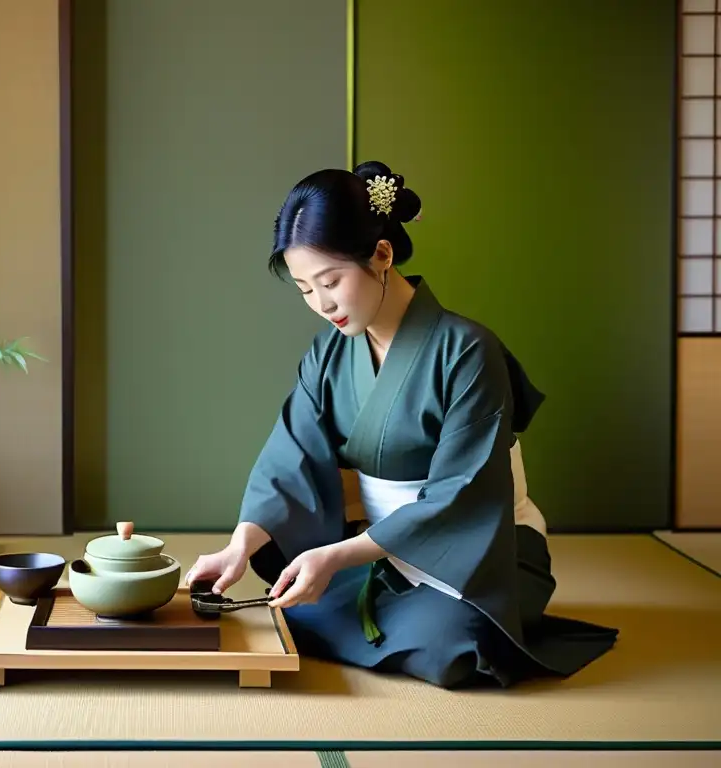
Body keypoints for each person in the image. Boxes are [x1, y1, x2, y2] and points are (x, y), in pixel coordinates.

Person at [186, 161, 619, 690]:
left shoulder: (467, 352)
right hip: (378, 544)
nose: (322, 306)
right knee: (288, 584)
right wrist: (239, 545)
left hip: (481, 547)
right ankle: (368, 594)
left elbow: (462, 493)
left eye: (331, 281)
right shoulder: (329, 355)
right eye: (304, 289)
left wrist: (339, 555)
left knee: (452, 645)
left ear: (382, 255)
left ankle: (428, 610)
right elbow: (289, 458)